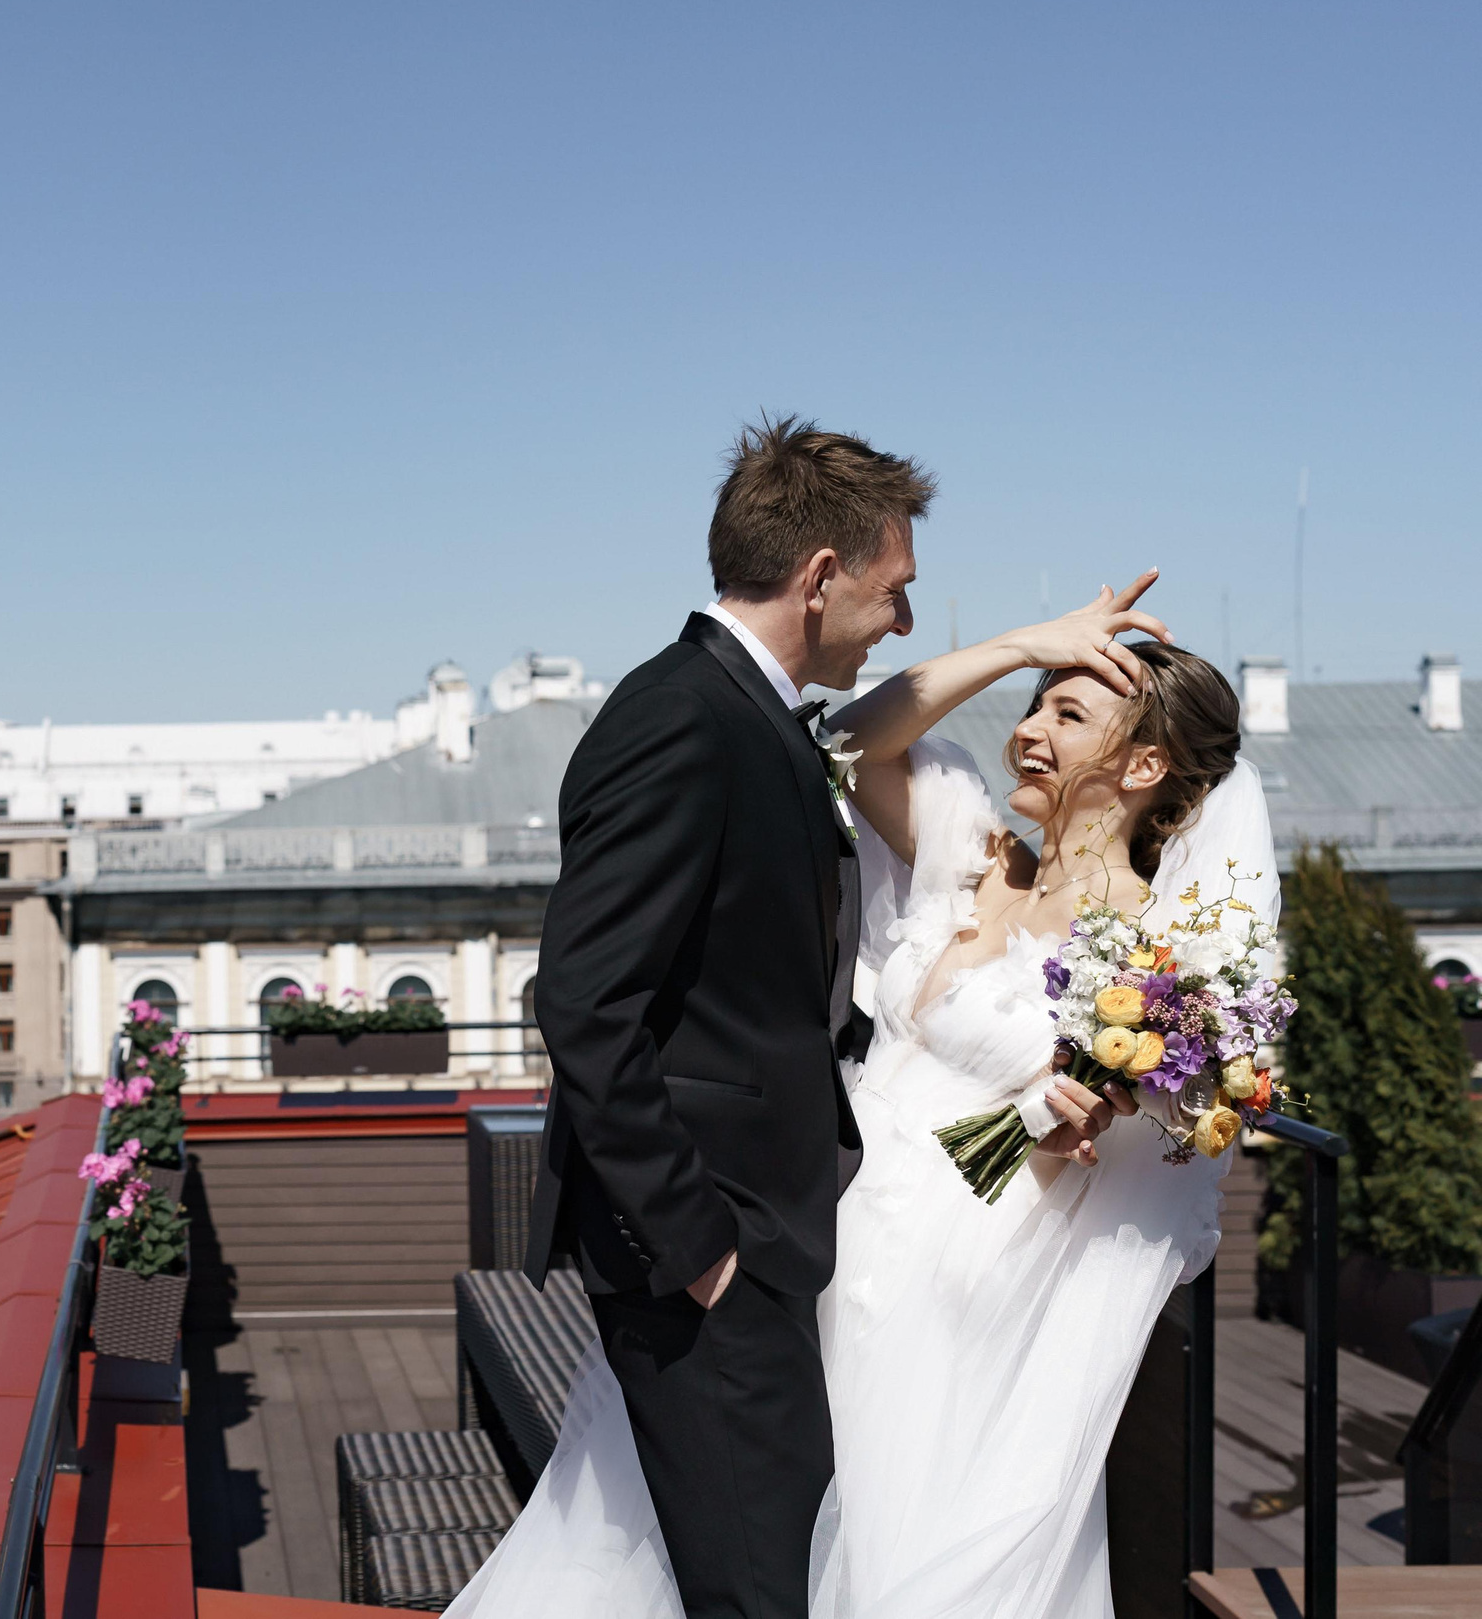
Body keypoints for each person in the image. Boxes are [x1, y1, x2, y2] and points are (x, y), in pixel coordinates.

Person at [459, 426, 1255, 1619]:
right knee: (755, 1551)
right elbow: (844, 738)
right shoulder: (971, 850)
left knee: (840, 1551)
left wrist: (1067, 1114)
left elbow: (1105, 1140)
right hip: (803, 1229)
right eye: (893, 594)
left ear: (1144, 769)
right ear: (821, 573)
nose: (1030, 725)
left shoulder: (1157, 965)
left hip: (949, 1265)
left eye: (1067, 712)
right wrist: (1024, 645)